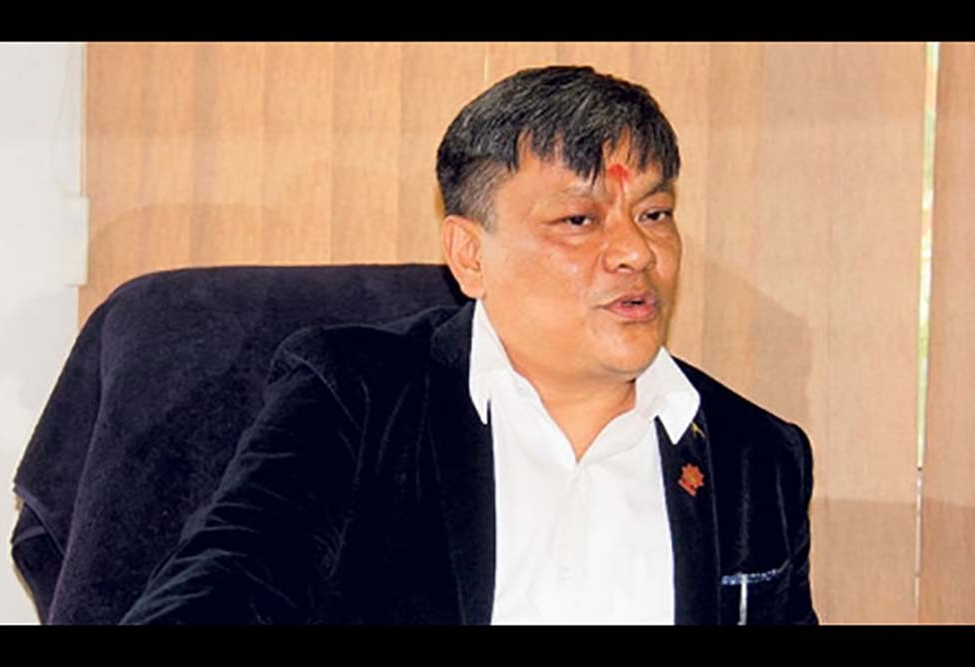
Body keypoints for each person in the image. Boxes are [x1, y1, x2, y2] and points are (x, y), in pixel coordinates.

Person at [120, 65, 818, 625]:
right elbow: (230, 583)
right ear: (469, 255)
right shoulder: (357, 398)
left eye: (655, 213)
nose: (637, 251)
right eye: (580, 220)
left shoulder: (753, 453)